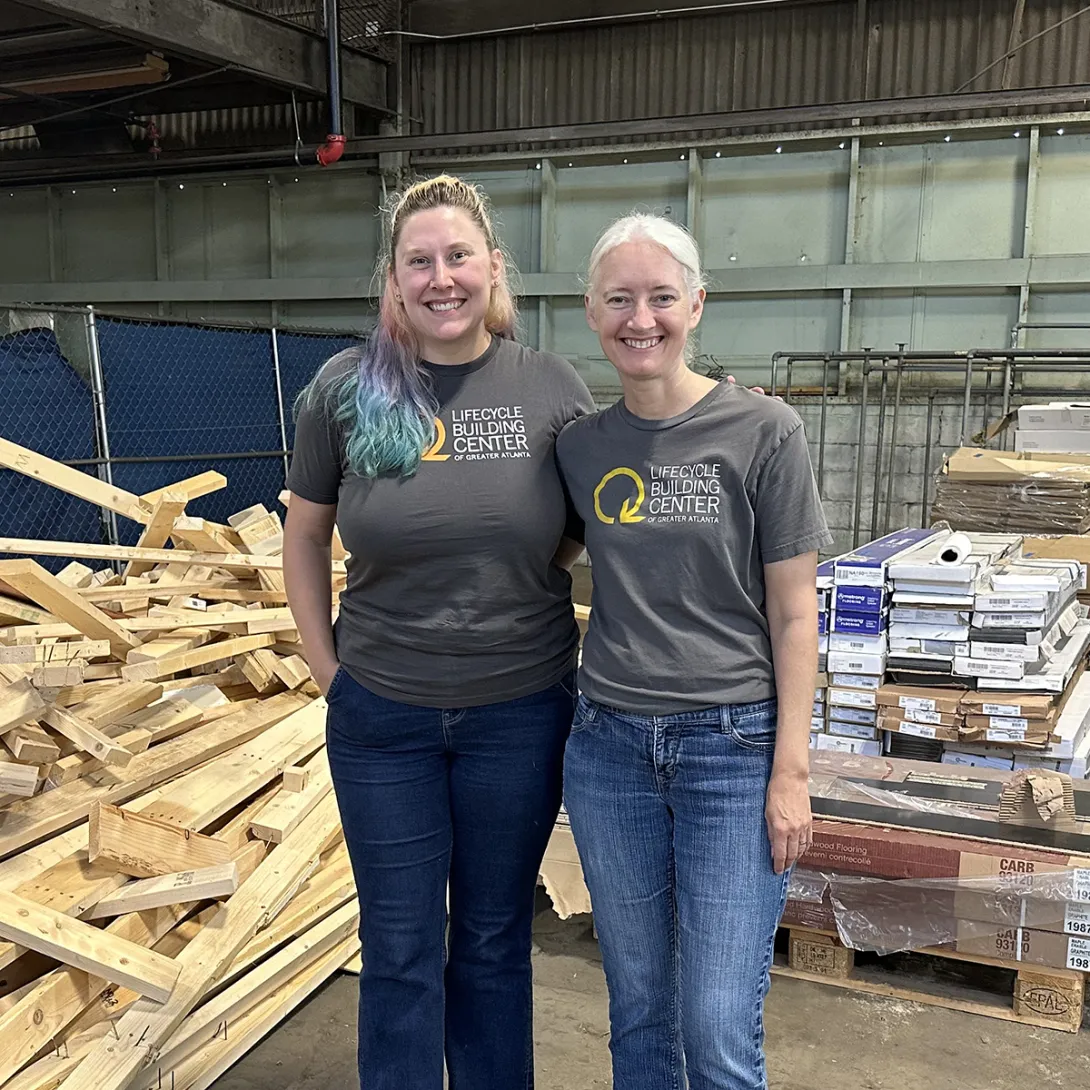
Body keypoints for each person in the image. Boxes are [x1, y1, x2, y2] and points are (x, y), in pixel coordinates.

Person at [282, 174, 596, 1090]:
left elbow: (584, 527)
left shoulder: (549, 386)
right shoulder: (348, 389)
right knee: (400, 945)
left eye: (458, 255)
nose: (441, 277)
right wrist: (327, 671)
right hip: (383, 719)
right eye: (419, 260)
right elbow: (304, 533)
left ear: (493, 267)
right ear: (395, 278)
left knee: (495, 939)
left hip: (518, 711)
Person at [555, 213, 831, 1090]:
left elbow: (795, 616)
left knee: (715, 1027)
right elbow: (535, 550)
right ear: (592, 313)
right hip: (610, 751)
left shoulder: (765, 433)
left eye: (662, 297)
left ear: (698, 304)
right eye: (620, 300)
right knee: (638, 1010)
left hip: (732, 750)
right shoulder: (580, 447)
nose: (643, 319)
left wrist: (791, 772)